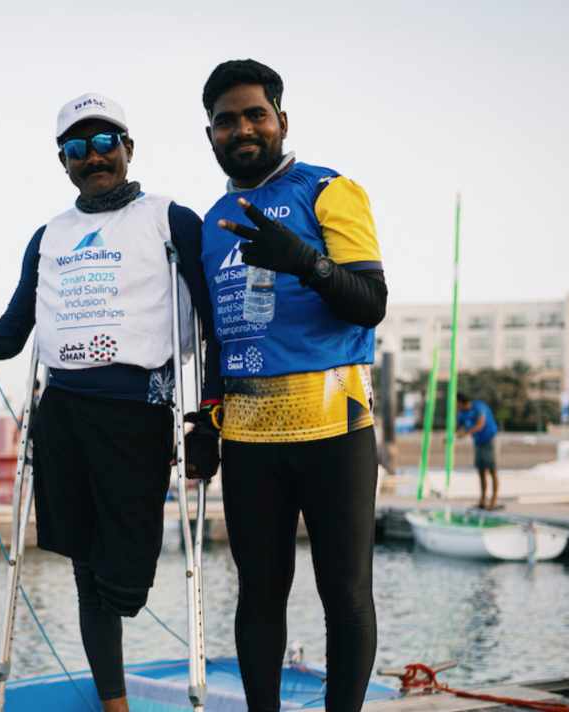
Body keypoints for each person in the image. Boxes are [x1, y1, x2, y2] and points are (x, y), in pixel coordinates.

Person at [0, 92, 220, 712]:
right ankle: (114, 705)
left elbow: (213, 324)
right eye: (76, 149)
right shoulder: (49, 236)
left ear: (128, 149)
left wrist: (209, 414)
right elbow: (10, 337)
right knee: (86, 571)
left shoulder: (172, 219)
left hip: (138, 414)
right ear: (63, 162)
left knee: (124, 579)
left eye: (103, 143)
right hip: (61, 414)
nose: (92, 158)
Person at [189, 59, 387, 711]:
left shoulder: (330, 189)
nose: (241, 128)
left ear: (281, 121)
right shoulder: (215, 220)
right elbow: (220, 337)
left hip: (336, 430)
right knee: (259, 595)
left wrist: (304, 260)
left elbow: (370, 302)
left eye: (255, 114)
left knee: (346, 594)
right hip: (249, 439)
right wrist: (207, 417)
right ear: (211, 133)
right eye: (225, 120)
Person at [456, 392, 499, 509]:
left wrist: (465, 433)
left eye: (456, 404)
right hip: (478, 442)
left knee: (492, 470)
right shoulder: (461, 413)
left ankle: (493, 500)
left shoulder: (479, 407)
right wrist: (450, 437)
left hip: (489, 439)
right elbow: (457, 428)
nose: (456, 407)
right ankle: (482, 500)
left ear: (460, 402)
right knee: (481, 471)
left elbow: (481, 424)